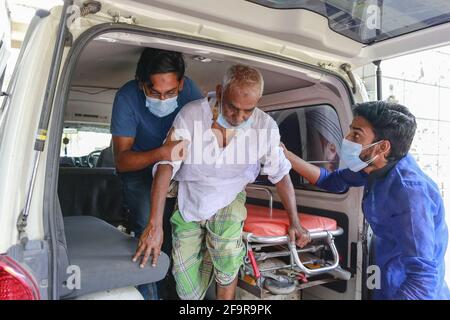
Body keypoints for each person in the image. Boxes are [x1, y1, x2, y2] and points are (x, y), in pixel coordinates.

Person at [132, 64, 311, 300]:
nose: (239, 118)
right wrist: (154, 225)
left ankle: (220, 261)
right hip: (191, 197)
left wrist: (295, 221)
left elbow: (281, 175)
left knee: (226, 257)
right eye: (232, 107)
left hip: (230, 195)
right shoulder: (192, 114)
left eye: (248, 110)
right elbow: (167, 165)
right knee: (187, 290)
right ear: (220, 91)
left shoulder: (265, 127)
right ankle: (210, 250)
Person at [282, 101, 450, 300]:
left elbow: (422, 279)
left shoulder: (411, 194)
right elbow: (332, 181)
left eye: (356, 134)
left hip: (409, 288)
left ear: (383, 146)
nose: (346, 139)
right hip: (384, 270)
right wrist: (286, 155)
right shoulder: (374, 168)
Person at [110, 47, 203, 300]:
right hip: (138, 170)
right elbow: (122, 161)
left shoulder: (192, 94)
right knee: (148, 233)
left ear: (181, 84)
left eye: (171, 92)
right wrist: (161, 153)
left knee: (176, 238)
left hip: (176, 172)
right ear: (142, 85)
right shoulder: (127, 97)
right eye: (154, 92)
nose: (163, 99)